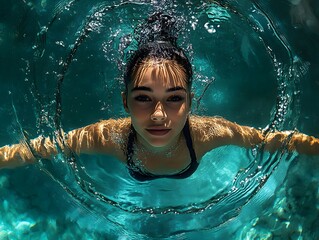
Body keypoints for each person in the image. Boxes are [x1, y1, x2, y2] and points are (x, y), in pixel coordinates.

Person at [0, 13, 318, 181]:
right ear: (125, 102)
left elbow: (275, 139)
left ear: (192, 102)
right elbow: (38, 148)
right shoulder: (110, 137)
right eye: (143, 98)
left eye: (174, 99)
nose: (158, 116)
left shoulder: (207, 134)